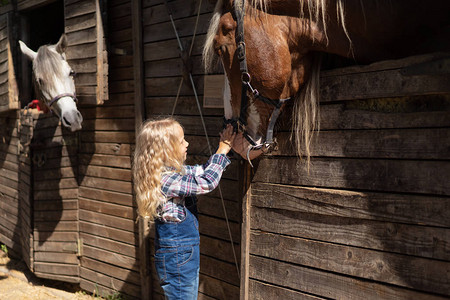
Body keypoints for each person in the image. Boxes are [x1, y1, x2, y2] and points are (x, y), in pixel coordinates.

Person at [133, 118, 236, 300]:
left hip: (182, 254)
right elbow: (207, 182)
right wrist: (222, 150)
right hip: (178, 256)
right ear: (167, 149)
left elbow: (203, 171)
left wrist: (227, 150)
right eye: (181, 141)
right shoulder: (165, 180)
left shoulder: (174, 172)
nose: (187, 143)